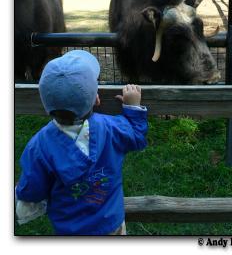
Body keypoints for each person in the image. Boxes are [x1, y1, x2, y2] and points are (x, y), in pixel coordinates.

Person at [15, 50, 148, 235]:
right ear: (96, 99)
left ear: (46, 104)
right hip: (111, 225)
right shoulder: (111, 128)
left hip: (71, 232)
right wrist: (133, 107)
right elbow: (137, 136)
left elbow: (31, 190)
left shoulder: (39, 146)